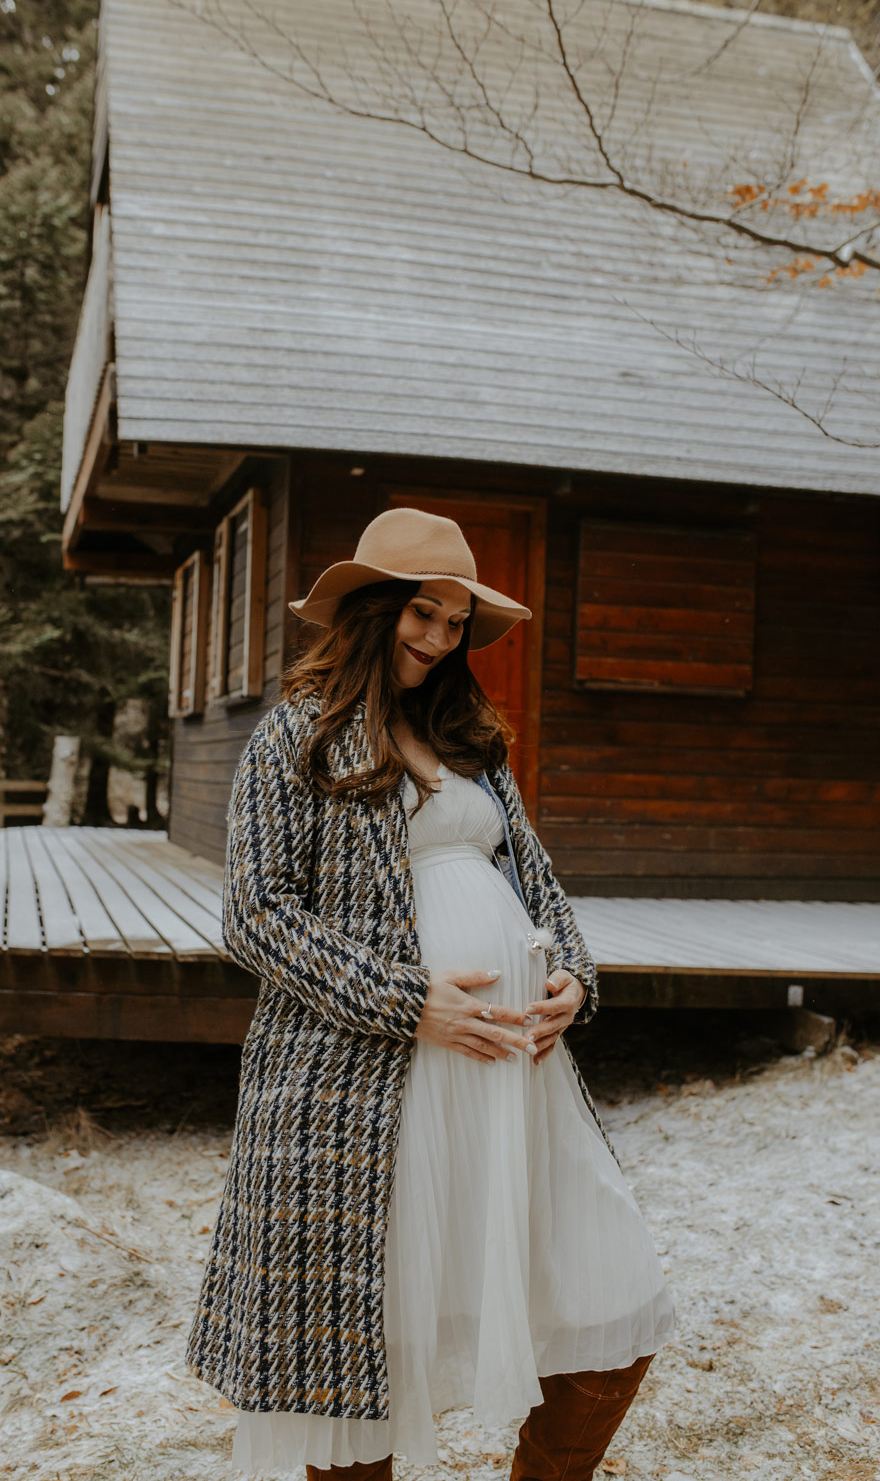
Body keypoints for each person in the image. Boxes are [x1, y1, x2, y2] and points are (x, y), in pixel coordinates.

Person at [186, 507, 676, 1480]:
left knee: (612, 1293)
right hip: (362, 1083)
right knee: (364, 1336)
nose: (440, 639)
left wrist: (571, 974)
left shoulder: (468, 741)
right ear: (372, 610)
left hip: (514, 1074)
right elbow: (256, 913)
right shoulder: (294, 738)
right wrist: (408, 1001)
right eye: (423, 614)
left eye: (455, 622)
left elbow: (535, 879)